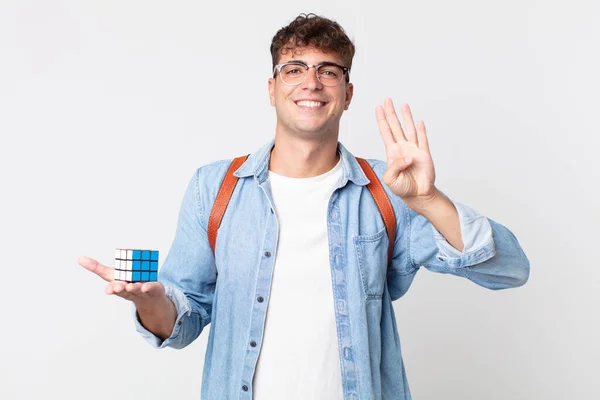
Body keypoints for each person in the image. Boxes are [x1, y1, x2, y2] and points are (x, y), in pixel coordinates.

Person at [79, 13, 530, 400]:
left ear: (348, 93)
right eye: (294, 69)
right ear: (272, 88)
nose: (311, 82)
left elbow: (509, 269)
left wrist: (428, 200)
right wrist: (151, 303)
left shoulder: (390, 190)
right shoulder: (214, 188)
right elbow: (183, 319)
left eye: (328, 71)